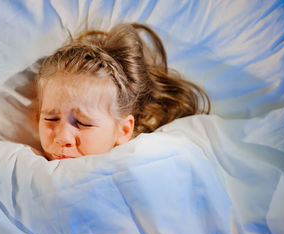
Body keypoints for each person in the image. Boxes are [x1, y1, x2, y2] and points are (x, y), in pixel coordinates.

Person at [34, 23, 210, 161]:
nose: (63, 137)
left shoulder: (142, 164)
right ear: (37, 118)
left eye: (83, 123)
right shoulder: (24, 162)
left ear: (123, 130)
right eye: (51, 119)